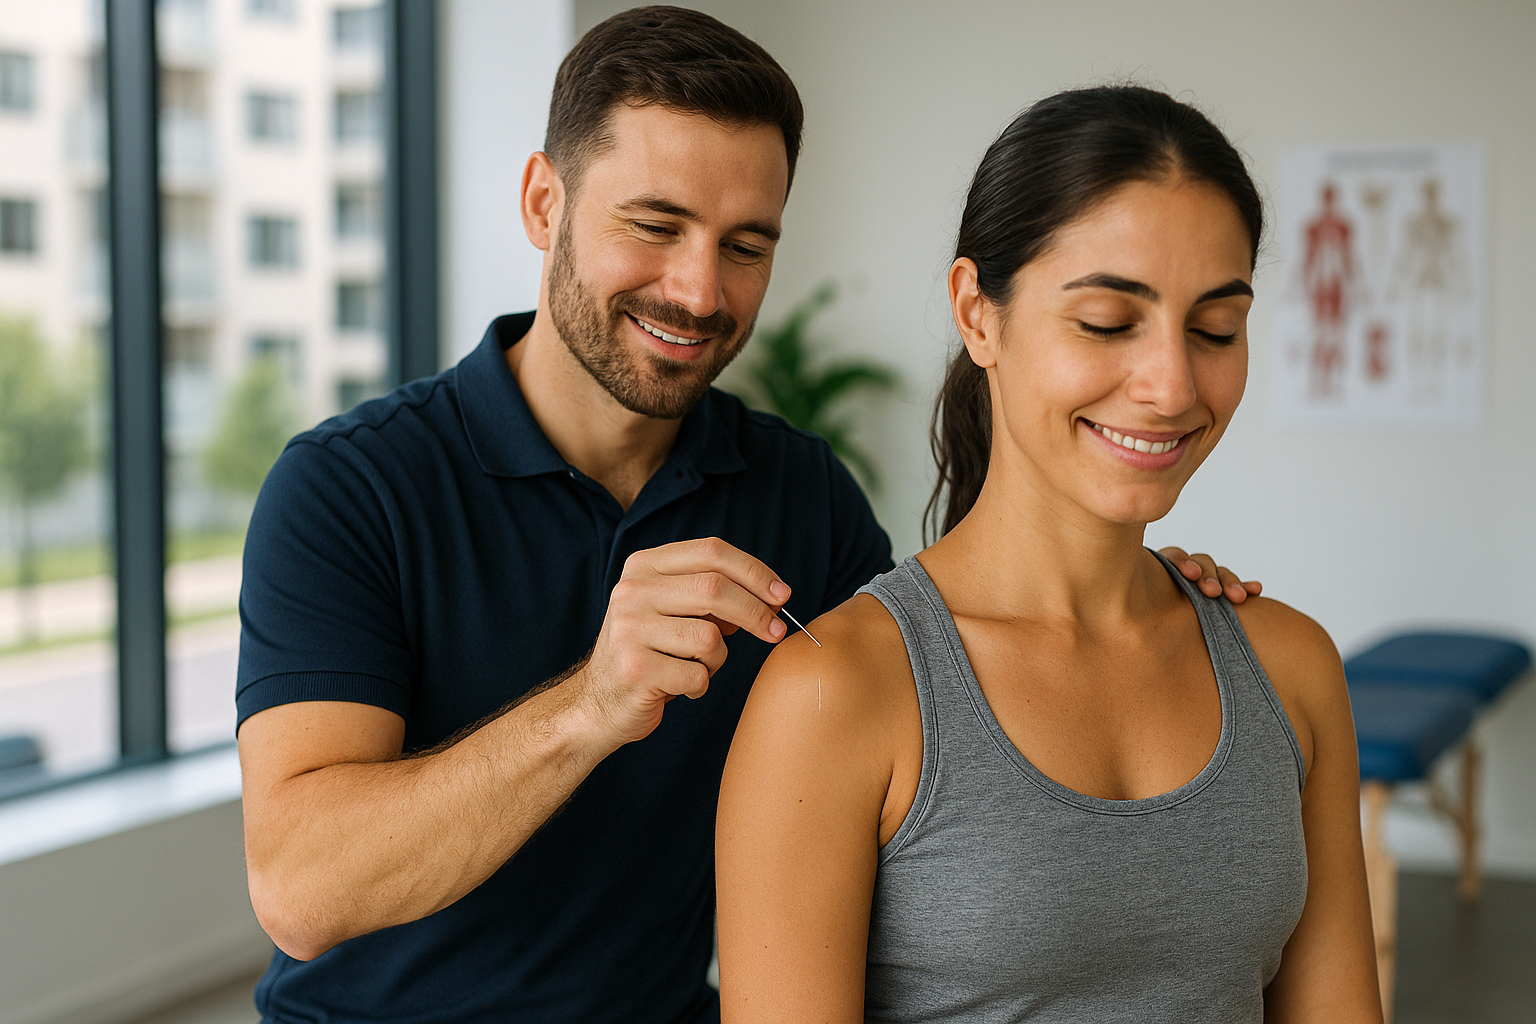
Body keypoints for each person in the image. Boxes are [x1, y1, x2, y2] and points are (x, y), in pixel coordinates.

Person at [236, 8, 1260, 1022]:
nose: (698, 289)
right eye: (656, 225)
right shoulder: (350, 489)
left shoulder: (799, 496)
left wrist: (1141, 593)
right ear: (545, 203)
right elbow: (300, 890)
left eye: (746, 246)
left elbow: (943, 706)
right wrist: (590, 704)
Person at [715, 86, 1381, 1023]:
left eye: (1215, 328)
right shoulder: (837, 696)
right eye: (1108, 321)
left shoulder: (1290, 666)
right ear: (977, 314)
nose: (1173, 384)